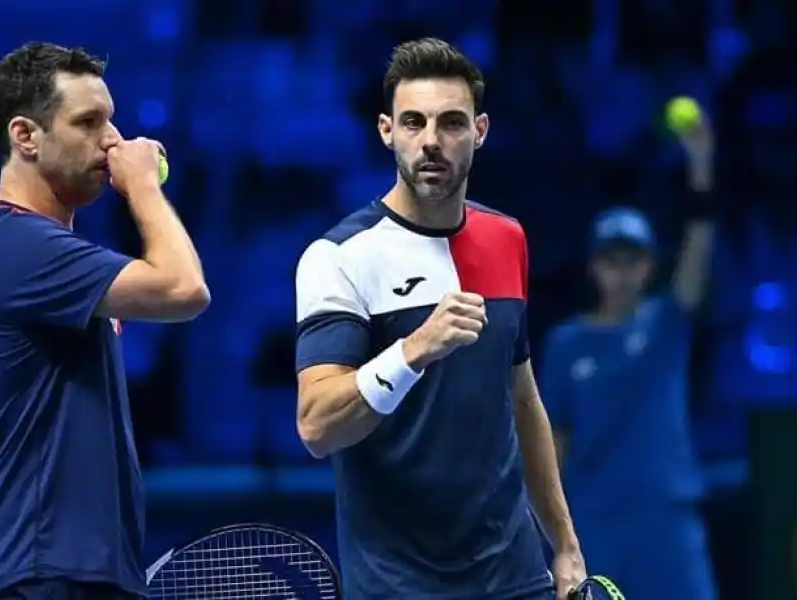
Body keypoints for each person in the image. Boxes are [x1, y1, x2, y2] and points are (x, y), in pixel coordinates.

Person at [294, 38, 585, 600]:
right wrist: (412, 350)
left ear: (479, 132)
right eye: (413, 122)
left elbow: (522, 399)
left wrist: (566, 545)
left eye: (451, 123)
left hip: (515, 579)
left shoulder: (507, 238)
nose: (431, 141)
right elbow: (317, 426)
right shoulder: (338, 257)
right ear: (387, 131)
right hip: (398, 587)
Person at [0, 42, 210, 600]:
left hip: (72, 575)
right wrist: (142, 186)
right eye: (89, 122)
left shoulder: (50, 253)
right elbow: (185, 289)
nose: (114, 141)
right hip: (41, 575)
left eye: (111, 120)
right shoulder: (17, 245)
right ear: (26, 137)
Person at [539, 120, 717, 599]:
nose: (621, 272)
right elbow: (554, 443)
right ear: (594, 266)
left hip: (668, 520)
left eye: (632, 260)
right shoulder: (566, 343)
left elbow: (698, 252)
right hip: (597, 524)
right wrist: (555, 537)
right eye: (611, 260)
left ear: (649, 267)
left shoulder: (666, 324)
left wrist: (701, 164)